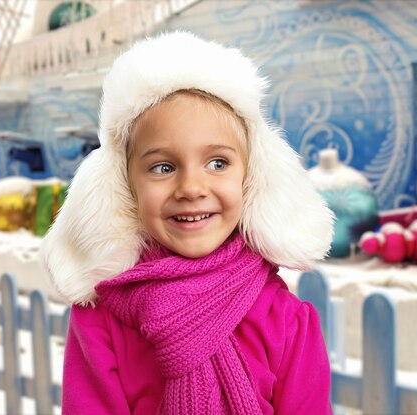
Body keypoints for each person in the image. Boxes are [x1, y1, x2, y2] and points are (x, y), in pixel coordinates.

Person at [40, 31, 335, 414]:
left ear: (251, 176)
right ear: (125, 185)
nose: (192, 188)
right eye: (163, 167)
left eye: (217, 163)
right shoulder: (102, 322)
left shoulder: (285, 320)